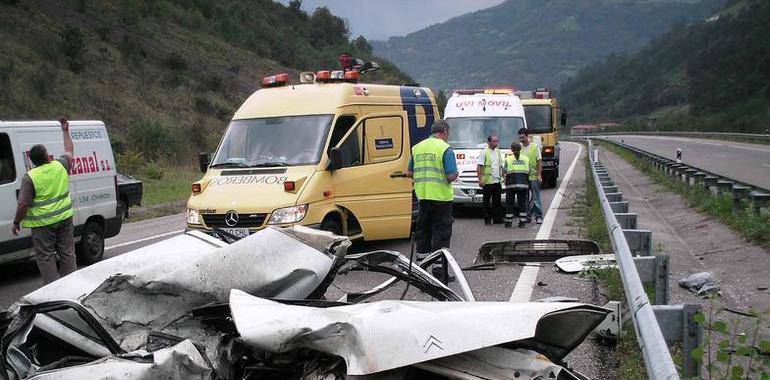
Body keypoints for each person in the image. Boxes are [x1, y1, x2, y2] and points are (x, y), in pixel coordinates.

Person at [12, 118, 77, 285]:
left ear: (32, 161)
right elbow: (70, 150)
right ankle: (72, 285)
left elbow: (23, 205)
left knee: (46, 257)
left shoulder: (30, 177)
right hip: (64, 219)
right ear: (48, 156)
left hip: (42, 225)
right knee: (67, 253)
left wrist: (16, 222)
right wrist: (65, 131)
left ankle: (53, 291)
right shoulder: (60, 165)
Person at [407, 119, 458, 281]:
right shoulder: (445, 149)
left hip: (423, 198)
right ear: (444, 132)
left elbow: (409, 172)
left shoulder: (417, 147)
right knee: (441, 235)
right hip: (441, 199)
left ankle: (421, 272)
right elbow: (450, 176)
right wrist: (455, 175)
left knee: (423, 233)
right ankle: (439, 273)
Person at [476, 134, 504, 225]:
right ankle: (487, 219)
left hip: (497, 181)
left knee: (497, 201)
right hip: (487, 181)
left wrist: (503, 176)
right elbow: (479, 167)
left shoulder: (498, 151)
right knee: (486, 202)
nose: (496, 143)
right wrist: (480, 180)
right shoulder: (484, 152)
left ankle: (497, 218)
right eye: (494, 141)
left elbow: (500, 166)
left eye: (497, 141)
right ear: (489, 142)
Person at [518, 128, 543, 224]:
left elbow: (539, 161)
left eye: (523, 137)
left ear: (527, 136)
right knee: (524, 198)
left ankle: (538, 216)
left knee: (535, 198)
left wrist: (539, 175)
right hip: (523, 177)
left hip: (533, 177)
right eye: (520, 138)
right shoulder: (520, 147)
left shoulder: (534, 147)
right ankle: (527, 216)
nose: (521, 140)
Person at [503, 142, 530, 228]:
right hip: (523, 184)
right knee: (522, 203)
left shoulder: (508, 159)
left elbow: (504, 171)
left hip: (511, 184)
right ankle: (522, 222)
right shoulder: (526, 159)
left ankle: (509, 221)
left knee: (509, 203)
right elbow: (529, 170)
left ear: (512, 149)